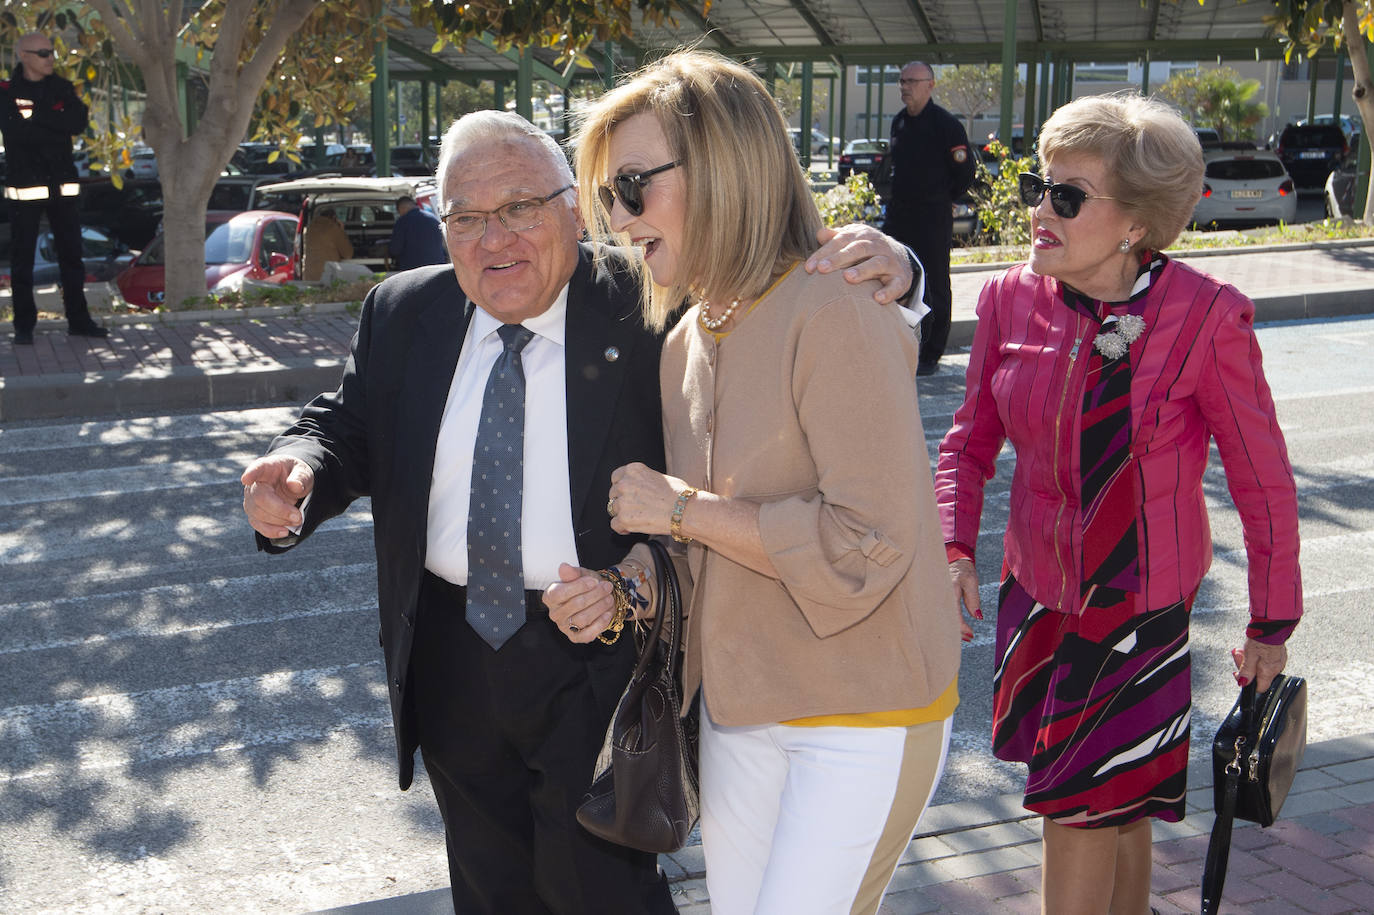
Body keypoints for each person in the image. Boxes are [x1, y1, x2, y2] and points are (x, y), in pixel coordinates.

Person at [240, 108, 918, 915]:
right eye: (468, 218)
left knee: (601, 893)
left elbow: (775, 279)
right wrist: (299, 471)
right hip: (452, 655)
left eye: (521, 207)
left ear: (572, 207)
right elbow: (345, 427)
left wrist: (903, 268)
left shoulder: (651, 299)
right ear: (441, 225)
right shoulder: (403, 311)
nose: (497, 240)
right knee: (491, 891)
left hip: (599, 652)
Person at [548, 50, 963, 915]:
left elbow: (869, 539)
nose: (620, 222)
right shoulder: (685, 343)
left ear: (720, 167)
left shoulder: (837, 304)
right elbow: (706, 565)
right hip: (739, 713)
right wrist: (624, 590)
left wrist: (685, 509)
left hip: (864, 711)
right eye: (608, 198)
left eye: (632, 188)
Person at [934, 93, 1302, 914]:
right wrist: (954, 547)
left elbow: (1263, 481)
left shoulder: (1206, 316)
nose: (1040, 211)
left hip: (1137, 609)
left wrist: (1270, 625)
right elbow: (967, 442)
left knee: (1077, 808)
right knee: (1114, 806)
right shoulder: (1006, 300)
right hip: (1038, 598)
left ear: (1135, 222)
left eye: (1068, 197)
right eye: (1041, 187)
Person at [0, 31, 107, 344]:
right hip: (26, 189)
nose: (51, 59)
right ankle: (24, 327)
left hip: (63, 189)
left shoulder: (61, 87)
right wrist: (52, 118)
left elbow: (76, 123)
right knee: (23, 263)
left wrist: (37, 116)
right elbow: (18, 133)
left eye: (52, 52)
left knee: (72, 258)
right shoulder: (7, 91)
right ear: (25, 56)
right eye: (43, 53)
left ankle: (79, 320)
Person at [882, 61, 975, 376]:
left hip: (932, 216)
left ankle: (931, 352)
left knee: (934, 281)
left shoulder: (946, 125)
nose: (904, 86)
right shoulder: (899, 123)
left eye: (911, 81)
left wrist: (945, 198)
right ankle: (899, 341)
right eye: (901, 80)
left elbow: (965, 172)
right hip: (900, 215)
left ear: (930, 85)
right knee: (893, 273)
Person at [387, 194, 446, 271]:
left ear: (402, 208)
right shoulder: (433, 218)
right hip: (437, 268)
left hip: (414, 271)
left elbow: (395, 249)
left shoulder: (403, 222)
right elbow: (443, 244)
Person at [300, 206, 353, 281]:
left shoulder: (309, 228)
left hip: (309, 276)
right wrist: (342, 231)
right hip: (327, 276)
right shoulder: (333, 228)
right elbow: (348, 254)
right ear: (334, 217)